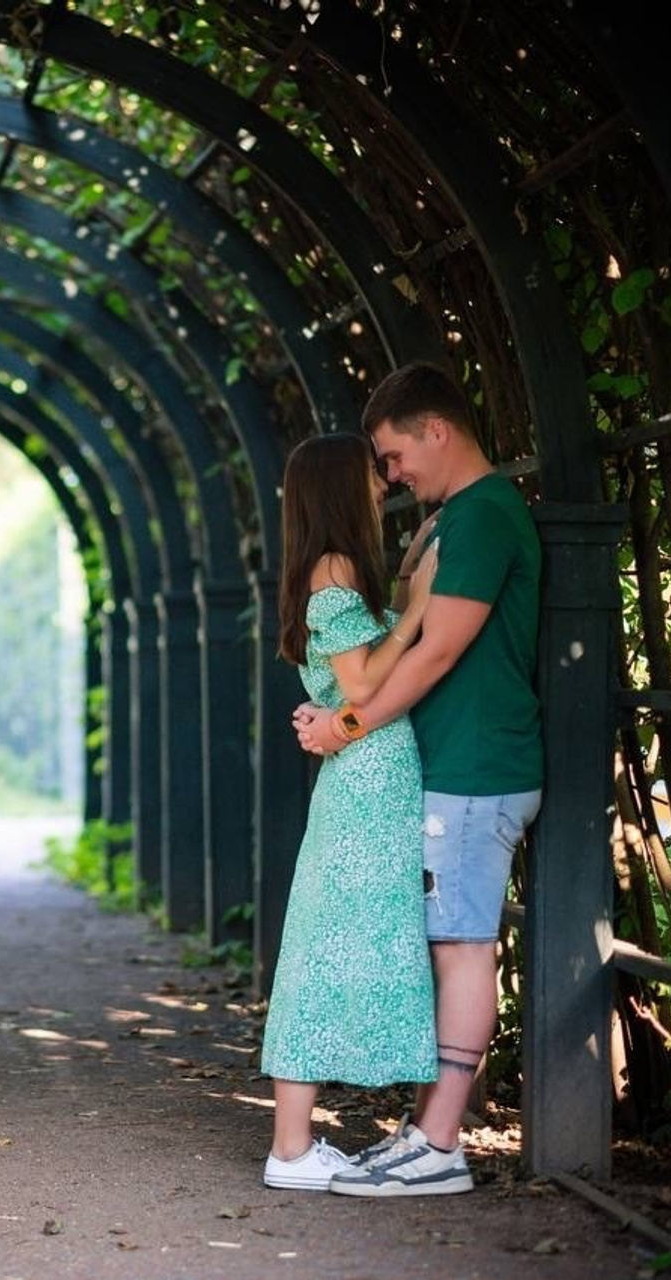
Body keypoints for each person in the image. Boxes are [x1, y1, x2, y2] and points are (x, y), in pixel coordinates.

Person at [294, 360, 543, 1198]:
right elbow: (403, 633)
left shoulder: (479, 519)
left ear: (437, 430)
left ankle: (440, 1144)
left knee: (465, 948)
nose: (391, 476)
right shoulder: (448, 523)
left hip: (477, 771)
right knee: (449, 945)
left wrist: (346, 726)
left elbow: (437, 647)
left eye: (395, 455)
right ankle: (426, 1133)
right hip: (455, 769)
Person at [260, 431, 440, 1192]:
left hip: (360, 778)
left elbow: (340, 689)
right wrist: (417, 609)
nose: (381, 483)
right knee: (326, 951)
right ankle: (292, 1150)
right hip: (367, 779)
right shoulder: (333, 571)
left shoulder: (326, 570)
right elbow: (362, 685)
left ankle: (296, 1145)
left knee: (327, 945)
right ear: (340, 485)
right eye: (371, 473)